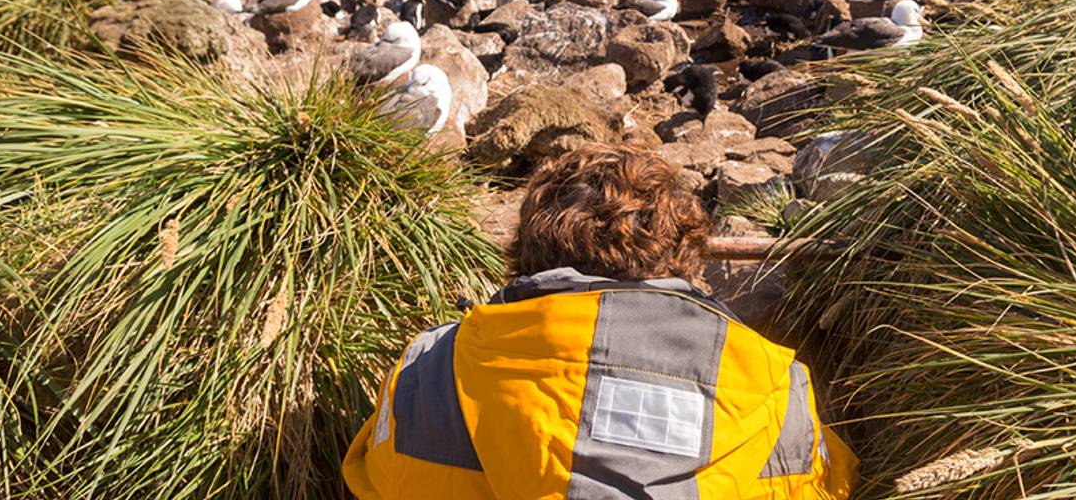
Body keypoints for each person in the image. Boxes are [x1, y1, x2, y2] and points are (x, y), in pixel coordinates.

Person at [343, 143, 857, 499]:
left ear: (526, 252)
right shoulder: (777, 380)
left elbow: (371, 479)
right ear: (687, 256)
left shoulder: (428, 364)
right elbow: (830, 486)